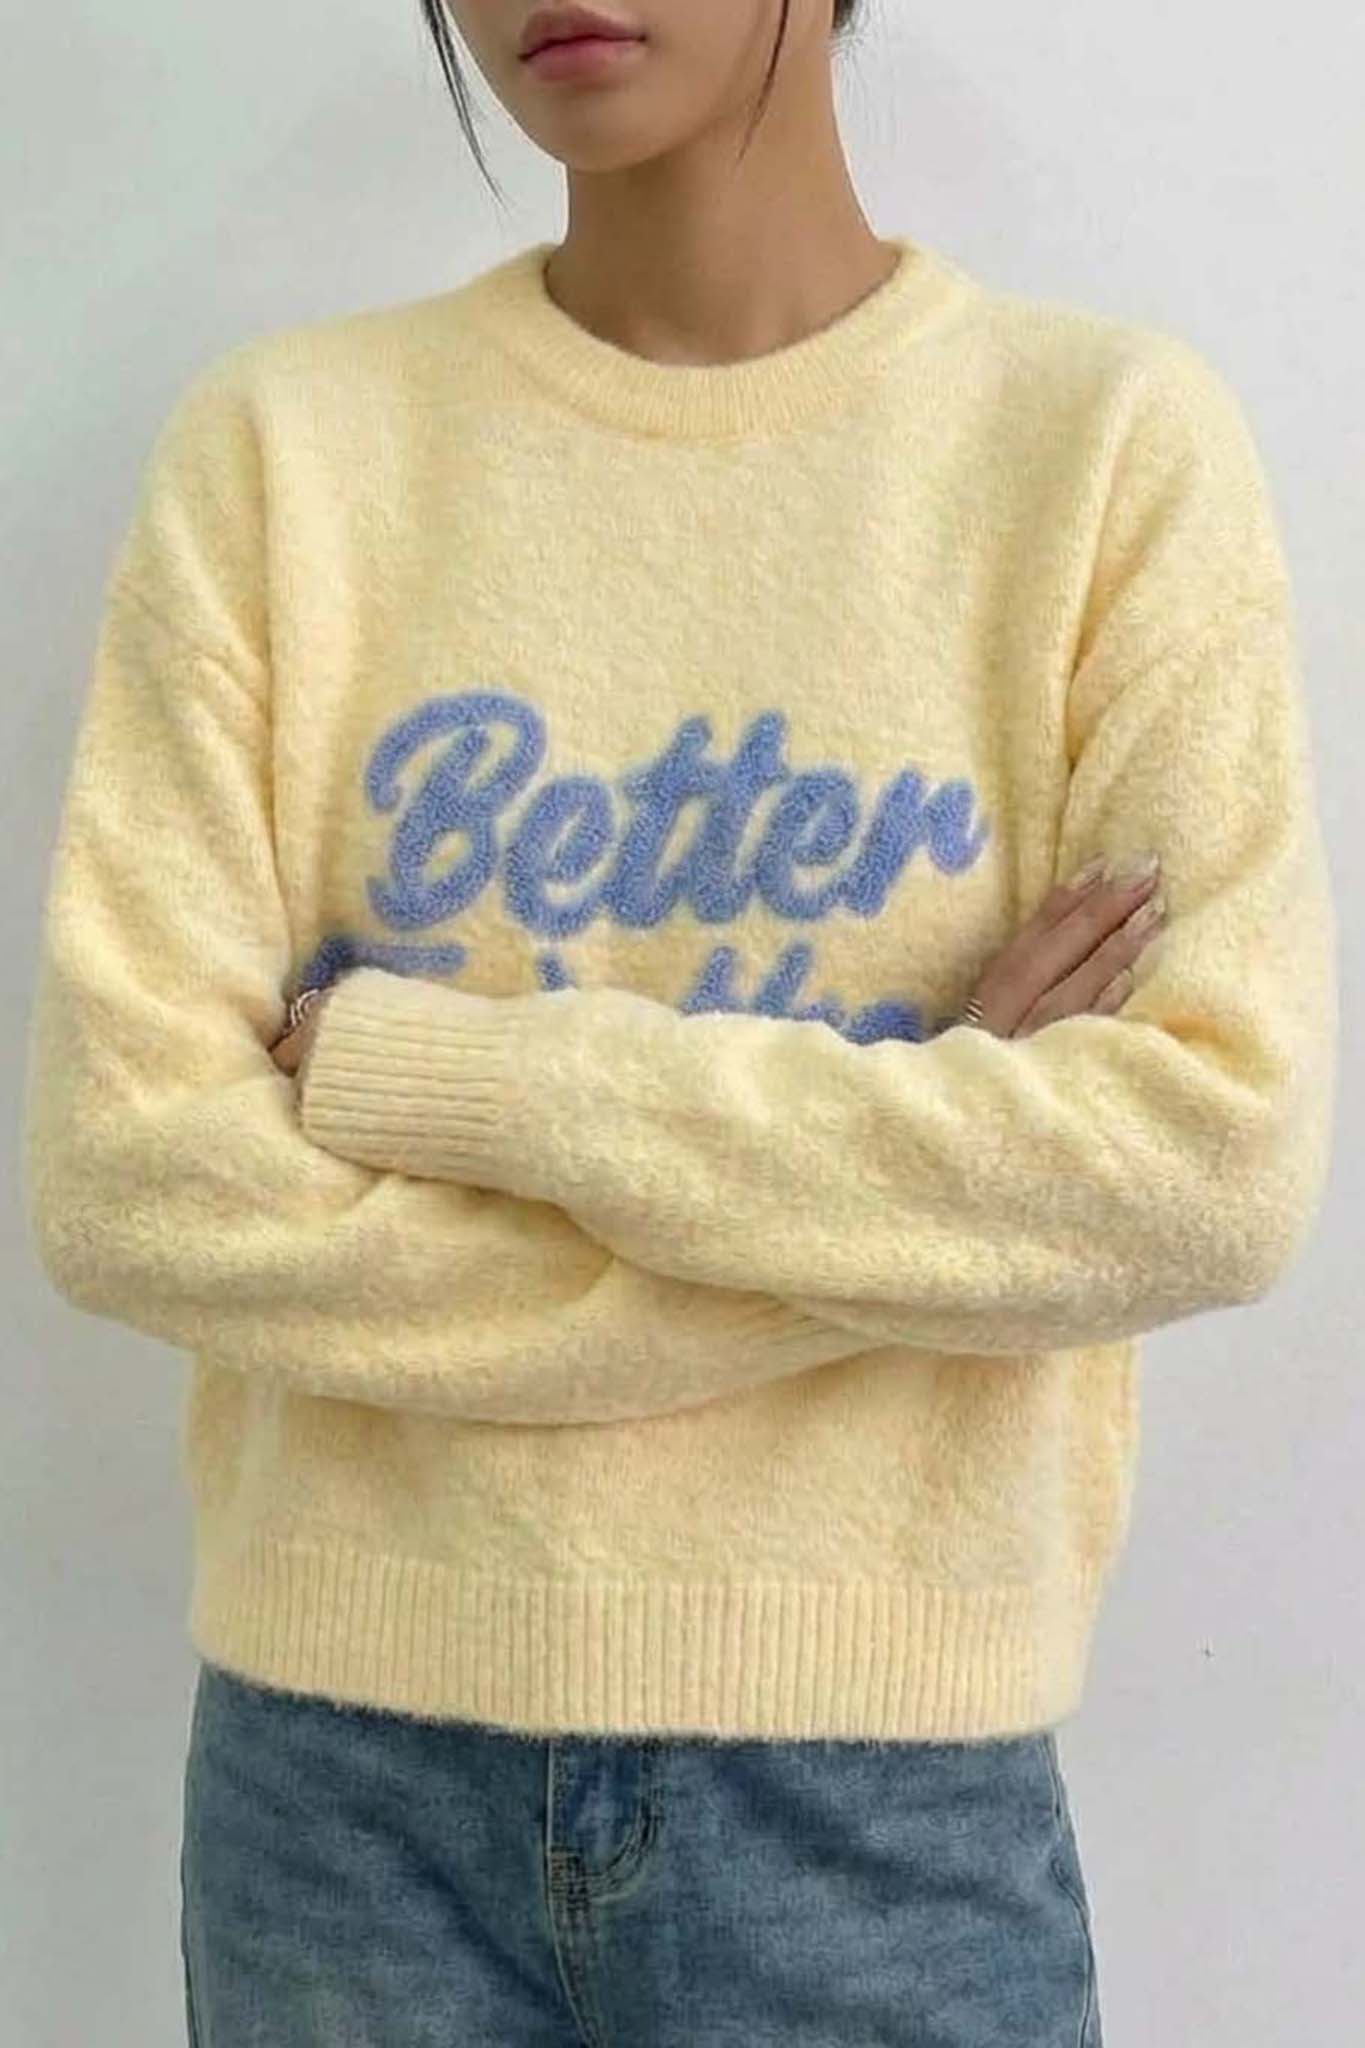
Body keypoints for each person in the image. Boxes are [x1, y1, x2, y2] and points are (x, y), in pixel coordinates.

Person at [22, 3, 1336, 2043]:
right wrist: (920, 1178)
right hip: (340, 1789)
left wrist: (442, 1079)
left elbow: (1200, 1168)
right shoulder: (285, 453)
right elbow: (134, 1186)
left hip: (879, 1804)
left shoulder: (1094, 449)